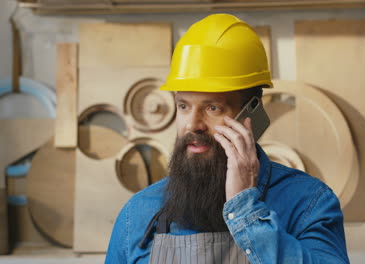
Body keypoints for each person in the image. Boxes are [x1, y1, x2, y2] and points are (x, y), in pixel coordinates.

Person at [105, 14, 349, 264]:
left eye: (213, 108)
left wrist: (245, 209)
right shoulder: (138, 214)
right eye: (183, 106)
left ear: (251, 115)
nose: (193, 125)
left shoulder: (308, 203)